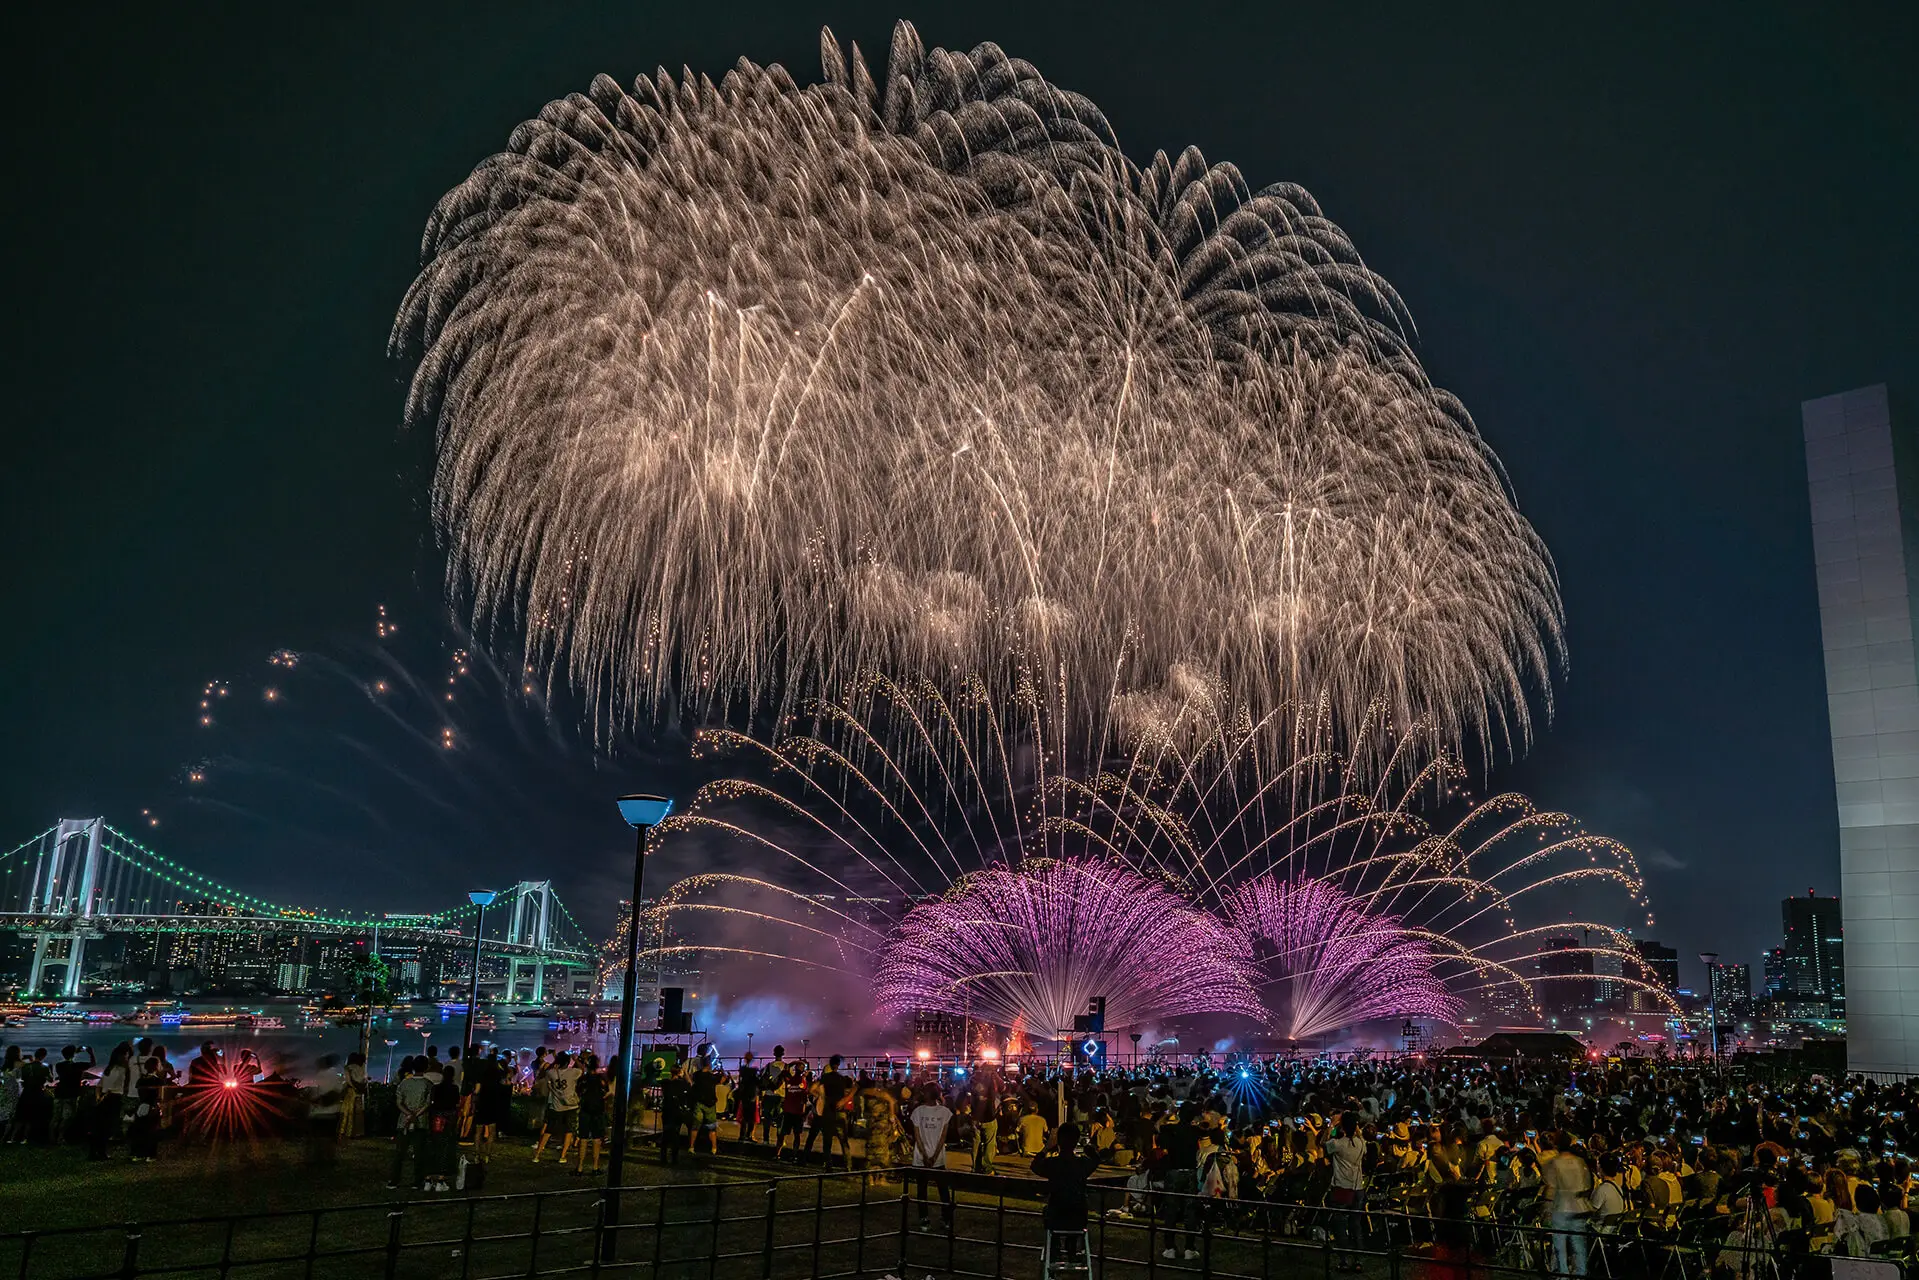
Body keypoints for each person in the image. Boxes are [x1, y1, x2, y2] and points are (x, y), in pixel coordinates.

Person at [1541, 1133, 1594, 1279]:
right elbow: (1587, 1184)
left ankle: (1563, 1275)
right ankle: (1581, 1274)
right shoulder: (1579, 1162)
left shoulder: (1553, 1163)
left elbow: (1551, 1187)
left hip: (1561, 1206)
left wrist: (1546, 1208)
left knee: (1560, 1246)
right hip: (1579, 1206)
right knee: (1579, 1244)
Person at [1325, 1112, 1369, 1273]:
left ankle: (1343, 1260)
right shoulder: (1360, 1143)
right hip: (1357, 1186)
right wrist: (1355, 1129)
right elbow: (1361, 1139)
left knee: (1340, 1225)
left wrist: (1331, 1126)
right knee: (1356, 1225)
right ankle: (1358, 1260)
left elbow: (1324, 1143)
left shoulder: (1338, 1144)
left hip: (1342, 1186)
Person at [909, 1083, 955, 1231]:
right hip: (938, 1157)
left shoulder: (918, 1112)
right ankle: (946, 1219)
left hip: (921, 1158)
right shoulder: (945, 1112)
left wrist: (924, 1155)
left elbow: (917, 1136)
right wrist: (934, 1156)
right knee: (943, 1189)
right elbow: (943, 1137)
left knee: (922, 1189)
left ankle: (924, 1219)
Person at [90, 1043, 137, 1160]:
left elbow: (99, 1085)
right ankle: (101, 1152)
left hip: (105, 1098)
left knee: (100, 1127)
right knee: (107, 1127)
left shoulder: (109, 1068)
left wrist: (98, 1097)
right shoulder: (121, 1070)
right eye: (126, 1055)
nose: (127, 1058)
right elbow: (113, 1087)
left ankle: (95, 1152)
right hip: (113, 1098)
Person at [390, 1057, 432, 1190]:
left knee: (399, 1153)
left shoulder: (404, 1083)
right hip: (421, 1121)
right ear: (426, 1068)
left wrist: (408, 1114)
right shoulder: (428, 1084)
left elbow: (398, 1102)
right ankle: (417, 1181)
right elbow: (428, 1103)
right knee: (419, 1153)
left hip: (404, 1121)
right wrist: (416, 1115)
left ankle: (394, 1180)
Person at [535, 1051, 582, 1166]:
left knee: (549, 1130)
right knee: (568, 1131)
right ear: (568, 1062)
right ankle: (562, 1156)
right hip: (571, 1106)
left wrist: (554, 1061)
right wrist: (576, 1059)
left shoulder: (552, 1073)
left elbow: (543, 1072)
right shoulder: (573, 1072)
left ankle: (537, 1155)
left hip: (556, 1106)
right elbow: (582, 1069)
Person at [51, 1044, 96, 1143]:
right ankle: (60, 1136)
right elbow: (93, 1064)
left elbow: (68, 1059)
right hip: (71, 1093)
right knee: (68, 1117)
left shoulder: (59, 1065)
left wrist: (74, 1052)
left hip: (59, 1092)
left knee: (56, 1116)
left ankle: (52, 1137)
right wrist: (91, 1053)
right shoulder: (78, 1066)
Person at [306, 1054, 345, 1166]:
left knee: (317, 1138)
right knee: (329, 1138)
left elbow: (312, 1095)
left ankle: (316, 1159)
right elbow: (338, 1092)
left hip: (317, 1113)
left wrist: (317, 1101)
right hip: (331, 1112)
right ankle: (329, 1159)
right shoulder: (335, 1076)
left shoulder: (319, 1075)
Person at [574, 1056, 609, 1175]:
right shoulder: (601, 1079)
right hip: (598, 1111)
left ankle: (579, 1167)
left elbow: (578, 1092)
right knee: (596, 1139)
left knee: (583, 1139)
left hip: (584, 1110)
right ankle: (595, 1167)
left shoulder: (583, 1079)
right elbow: (605, 1093)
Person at [660, 1062, 692, 1166]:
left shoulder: (665, 1083)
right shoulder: (682, 1084)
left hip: (667, 1110)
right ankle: (674, 1158)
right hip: (677, 1112)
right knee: (675, 1135)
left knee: (665, 1134)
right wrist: (687, 1076)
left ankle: (663, 1157)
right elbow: (690, 1086)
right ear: (679, 1072)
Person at [690, 1054, 722, 1157]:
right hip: (710, 1104)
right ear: (709, 1065)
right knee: (711, 1127)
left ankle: (691, 1147)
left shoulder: (696, 1075)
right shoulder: (712, 1077)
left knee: (695, 1127)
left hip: (698, 1102)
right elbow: (722, 1080)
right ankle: (714, 1148)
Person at [759, 1048, 788, 1145]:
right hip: (781, 1096)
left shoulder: (768, 1066)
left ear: (774, 1054)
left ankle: (766, 1139)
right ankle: (780, 1141)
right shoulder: (786, 1067)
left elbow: (763, 1080)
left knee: (767, 1119)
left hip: (768, 1094)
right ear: (783, 1054)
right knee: (780, 1119)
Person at [339, 1051, 369, 1139]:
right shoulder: (362, 1068)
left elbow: (348, 1081)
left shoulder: (348, 1068)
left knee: (346, 1112)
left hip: (351, 1091)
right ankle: (355, 1133)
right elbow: (364, 1080)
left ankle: (343, 1132)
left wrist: (354, 1087)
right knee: (358, 1113)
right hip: (360, 1093)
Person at [971, 1084, 999, 1175]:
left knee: (976, 1143)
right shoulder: (990, 1085)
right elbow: (1001, 1087)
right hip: (989, 1119)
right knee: (990, 1144)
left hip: (976, 1118)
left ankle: (975, 1167)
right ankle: (987, 1167)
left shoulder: (974, 1082)